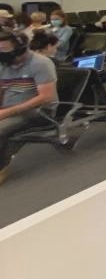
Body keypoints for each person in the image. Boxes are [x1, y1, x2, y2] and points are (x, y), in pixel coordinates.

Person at [0, 30, 58, 185]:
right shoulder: (4, 64)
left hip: (40, 111)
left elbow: (46, 97)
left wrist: (6, 112)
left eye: (4, 50)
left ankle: (1, 168)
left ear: (19, 49)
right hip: (10, 109)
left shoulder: (40, 63)